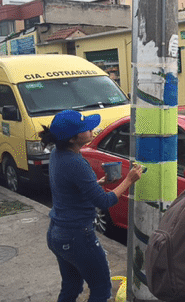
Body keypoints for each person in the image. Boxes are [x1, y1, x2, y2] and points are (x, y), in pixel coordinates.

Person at [40, 110, 143, 302]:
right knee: (101, 289)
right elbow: (104, 201)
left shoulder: (57, 154)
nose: (92, 129)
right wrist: (129, 180)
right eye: (86, 128)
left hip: (57, 233)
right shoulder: (76, 163)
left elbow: (70, 188)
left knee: (71, 287)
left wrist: (98, 184)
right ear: (72, 139)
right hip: (77, 237)